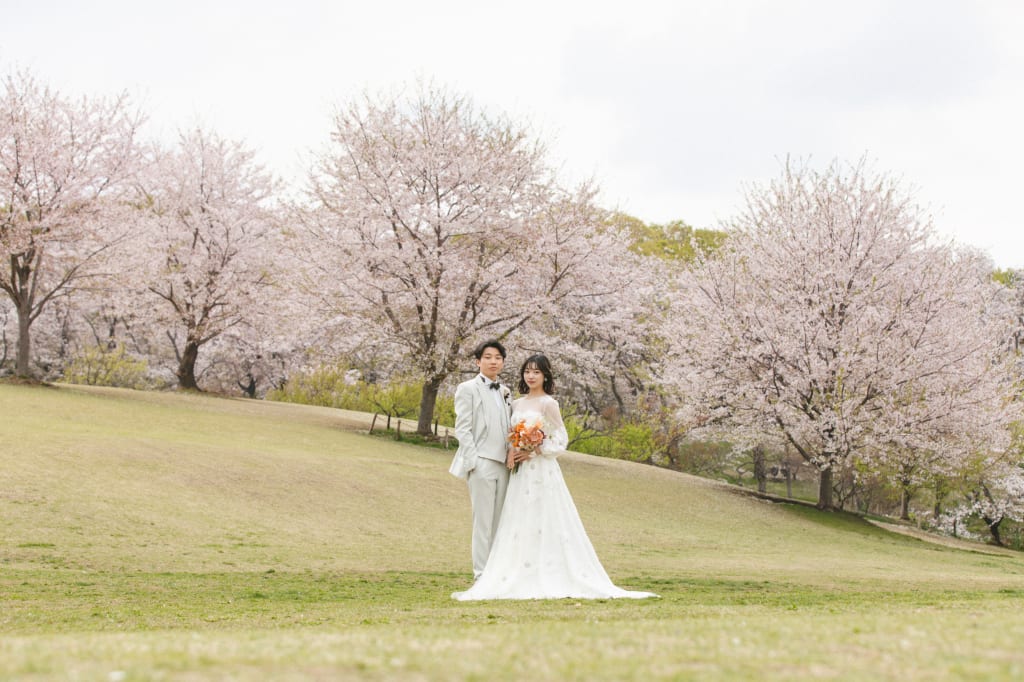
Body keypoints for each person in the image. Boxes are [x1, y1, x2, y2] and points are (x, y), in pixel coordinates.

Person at [453, 354, 657, 600]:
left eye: (536, 372)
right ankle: (508, 571)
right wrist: (514, 450)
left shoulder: (550, 404)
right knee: (516, 519)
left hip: (541, 469)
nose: (531, 376)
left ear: (545, 375)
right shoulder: (515, 403)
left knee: (545, 517)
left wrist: (535, 449)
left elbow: (561, 439)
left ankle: (548, 571)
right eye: (527, 371)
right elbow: (508, 434)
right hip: (519, 474)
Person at [448, 340, 513, 580]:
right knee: (482, 522)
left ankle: (497, 573)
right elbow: (462, 428)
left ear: (503, 362)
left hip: (504, 465)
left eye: (498, 357)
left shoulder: (506, 391)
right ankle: (481, 575)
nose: (493, 361)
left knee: (499, 522)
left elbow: (507, 427)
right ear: (478, 361)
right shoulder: (467, 388)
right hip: (481, 462)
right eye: (488, 357)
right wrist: (473, 461)